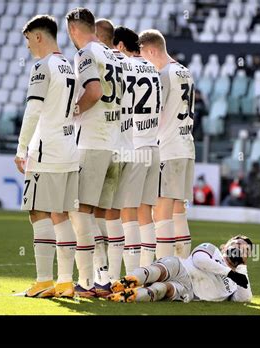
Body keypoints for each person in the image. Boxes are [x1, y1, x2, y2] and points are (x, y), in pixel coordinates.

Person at [14, 15, 79, 298]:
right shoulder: (70, 65)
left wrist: (21, 148)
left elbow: (34, 110)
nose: (27, 46)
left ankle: (43, 281)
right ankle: (65, 282)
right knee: (61, 215)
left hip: (46, 150)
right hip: (69, 151)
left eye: (28, 39)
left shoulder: (43, 66)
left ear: (38, 36)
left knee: (38, 212)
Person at [66, 7, 123, 297]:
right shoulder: (112, 54)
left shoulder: (86, 53)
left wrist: (71, 112)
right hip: (116, 144)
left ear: (74, 29)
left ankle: (87, 281)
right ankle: (104, 278)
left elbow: (94, 91)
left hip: (93, 142)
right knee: (100, 214)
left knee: (80, 211)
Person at [138, 29, 195, 260]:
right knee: (179, 211)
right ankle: (183, 268)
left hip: (168, 149)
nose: (143, 62)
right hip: (186, 148)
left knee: (161, 211)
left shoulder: (163, 75)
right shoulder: (185, 71)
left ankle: (163, 269)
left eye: (143, 56)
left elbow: (157, 115)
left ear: (151, 50)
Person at [112, 26, 162, 272]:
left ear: (120, 46)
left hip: (133, 146)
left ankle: (131, 275)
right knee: (146, 213)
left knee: (127, 212)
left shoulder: (123, 67)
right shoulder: (155, 69)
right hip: (153, 146)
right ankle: (147, 272)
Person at [107, 235, 253, 303]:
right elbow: (199, 260)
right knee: (158, 271)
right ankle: (125, 282)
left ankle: (126, 296)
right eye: (236, 243)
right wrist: (228, 272)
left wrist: (241, 267)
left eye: (244, 249)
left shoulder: (237, 281)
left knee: (161, 290)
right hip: (181, 268)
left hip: (189, 291)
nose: (238, 248)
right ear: (225, 246)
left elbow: (243, 298)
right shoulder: (212, 249)